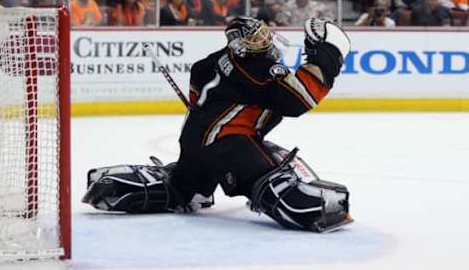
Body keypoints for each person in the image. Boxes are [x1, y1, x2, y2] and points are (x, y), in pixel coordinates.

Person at [82, 16, 353, 232]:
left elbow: (196, 92)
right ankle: (317, 209)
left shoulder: (210, 62)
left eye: (263, 34)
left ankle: (171, 186)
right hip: (229, 144)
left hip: (195, 141)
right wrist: (326, 55)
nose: (265, 41)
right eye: (256, 39)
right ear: (240, 45)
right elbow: (299, 100)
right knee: (271, 181)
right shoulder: (259, 69)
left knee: (184, 187)